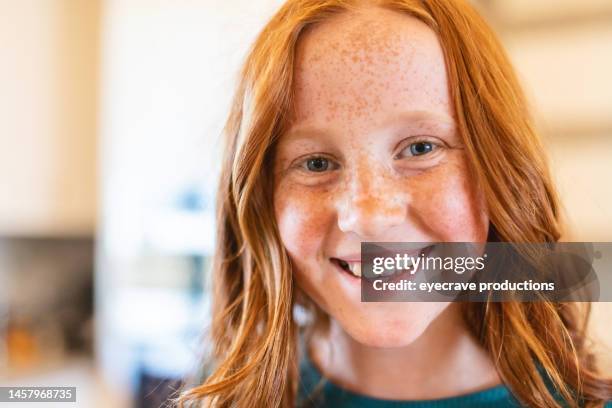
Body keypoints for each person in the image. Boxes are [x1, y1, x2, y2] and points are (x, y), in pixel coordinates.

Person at [179, 0, 612, 406]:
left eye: (421, 148)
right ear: (260, 200)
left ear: (502, 168)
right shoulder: (226, 390)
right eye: (316, 162)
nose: (369, 216)